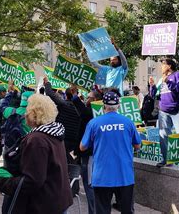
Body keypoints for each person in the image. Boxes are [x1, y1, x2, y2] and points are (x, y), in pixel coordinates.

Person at [0, 94, 73, 213]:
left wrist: (1, 181)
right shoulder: (54, 132)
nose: (25, 114)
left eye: (27, 110)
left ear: (34, 114)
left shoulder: (37, 139)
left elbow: (32, 181)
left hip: (44, 205)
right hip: (57, 200)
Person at [80, 91, 141, 214]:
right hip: (124, 175)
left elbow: (82, 147)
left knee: (102, 211)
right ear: (118, 106)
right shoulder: (128, 122)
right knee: (127, 210)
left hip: (102, 176)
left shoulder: (94, 123)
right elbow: (137, 145)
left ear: (103, 106)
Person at [71, 86, 103, 214]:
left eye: (89, 97)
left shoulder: (93, 112)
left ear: (94, 99)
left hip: (89, 153)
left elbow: (84, 112)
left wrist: (74, 95)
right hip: (91, 153)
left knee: (90, 185)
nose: (87, 99)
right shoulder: (96, 111)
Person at [157, 58, 179, 167]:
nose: (161, 67)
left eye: (163, 64)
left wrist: (168, 82)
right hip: (163, 112)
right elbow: (156, 94)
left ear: (169, 66)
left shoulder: (177, 75)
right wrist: (152, 86)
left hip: (177, 111)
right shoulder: (162, 79)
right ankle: (167, 160)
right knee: (164, 135)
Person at [43, 77, 81, 163]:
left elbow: (50, 93)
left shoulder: (63, 105)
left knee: (60, 161)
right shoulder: (81, 108)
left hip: (61, 138)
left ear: (66, 95)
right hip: (74, 141)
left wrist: (47, 83)